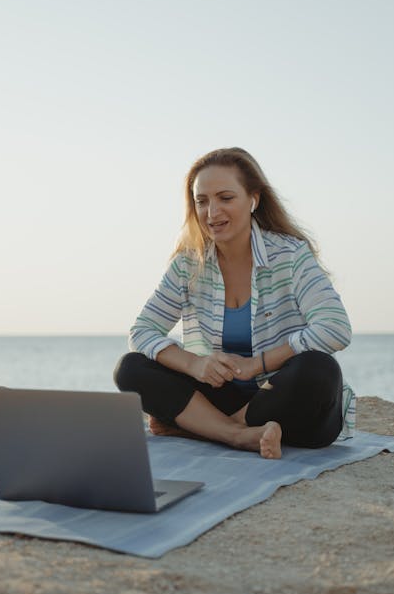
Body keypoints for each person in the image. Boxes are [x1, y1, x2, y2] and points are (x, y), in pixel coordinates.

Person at [114, 147, 355, 459]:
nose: (212, 213)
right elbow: (142, 331)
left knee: (319, 370)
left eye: (225, 198)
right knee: (131, 368)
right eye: (202, 201)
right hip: (224, 396)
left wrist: (260, 364)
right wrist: (195, 364)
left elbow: (335, 328)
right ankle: (237, 435)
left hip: (287, 402)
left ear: (253, 199)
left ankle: (203, 428)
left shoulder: (290, 255)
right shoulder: (189, 264)